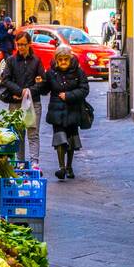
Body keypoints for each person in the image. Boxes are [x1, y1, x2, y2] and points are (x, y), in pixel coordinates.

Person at [40, 46, 90, 180]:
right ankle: (61, 167)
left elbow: (84, 89)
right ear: (56, 60)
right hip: (57, 110)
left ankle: (69, 167)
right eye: (60, 59)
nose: (63, 62)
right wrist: (40, 83)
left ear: (70, 59)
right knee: (60, 138)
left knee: (71, 139)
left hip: (73, 109)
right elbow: (45, 89)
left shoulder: (78, 72)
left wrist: (69, 95)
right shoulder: (51, 73)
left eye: (65, 59)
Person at [0, 30, 45, 167]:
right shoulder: (11, 61)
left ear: (29, 44)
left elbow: (42, 81)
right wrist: (19, 91)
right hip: (16, 102)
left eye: (23, 44)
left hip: (33, 102)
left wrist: (29, 91)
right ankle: (20, 163)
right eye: (18, 45)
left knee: (33, 132)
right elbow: (5, 79)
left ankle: (34, 162)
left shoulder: (36, 61)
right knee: (19, 134)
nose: (21, 48)